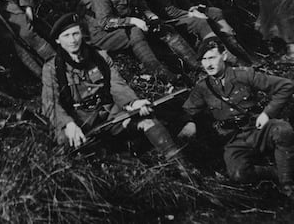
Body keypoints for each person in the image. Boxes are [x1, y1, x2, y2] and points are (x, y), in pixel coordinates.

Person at [41, 13, 186, 165]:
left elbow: (116, 84)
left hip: (110, 114)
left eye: (76, 33)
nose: (72, 40)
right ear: (58, 40)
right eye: (66, 36)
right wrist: (68, 124)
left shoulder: (99, 56)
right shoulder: (52, 68)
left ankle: (182, 167)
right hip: (80, 121)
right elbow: (50, 103)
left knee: (147, 120)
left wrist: (132, 103)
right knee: (68, 146)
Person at [178, 38, 294, 203]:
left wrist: (267, 113)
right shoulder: (203, 88)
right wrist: (190, 122)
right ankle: (277, 171)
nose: (208, 64)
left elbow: (286, 85)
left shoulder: (243, 75)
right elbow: (188, 110)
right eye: (204, 60)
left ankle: (287, 184)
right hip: (232, 138)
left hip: (258, 129)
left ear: (223, 56)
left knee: (283, 130)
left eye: (212, 58)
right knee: (238, 174)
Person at [79, 0, 200, 86]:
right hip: (102, 35)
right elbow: (105, 22)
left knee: (165, 28)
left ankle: (197, 65)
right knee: (136, 31)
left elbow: (142, 6)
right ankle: (161, 74)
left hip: (125, 27)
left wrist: (152, 17)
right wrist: (132, 20)